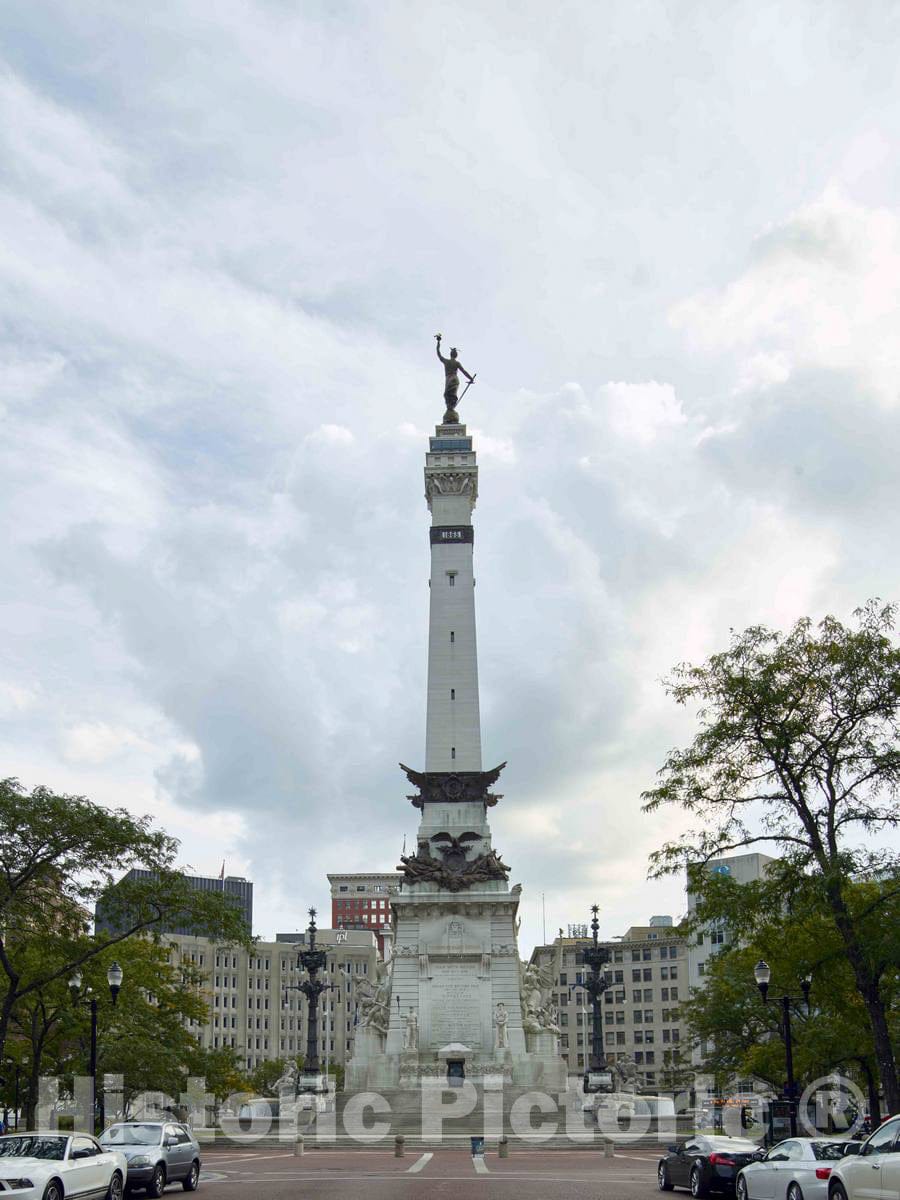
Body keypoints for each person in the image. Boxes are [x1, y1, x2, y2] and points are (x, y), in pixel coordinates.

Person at [435, 334, 475, 414]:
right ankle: (451, 409)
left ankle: (450, 409)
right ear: (456, 355)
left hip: (449, 379)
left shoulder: (446, 361)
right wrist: (471, 378)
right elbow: (464, 371)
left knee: (447, 395)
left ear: (450, 354)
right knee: (452, 395)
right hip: (455, 379)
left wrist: (438, 343)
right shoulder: (457, 363)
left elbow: (438, 354)